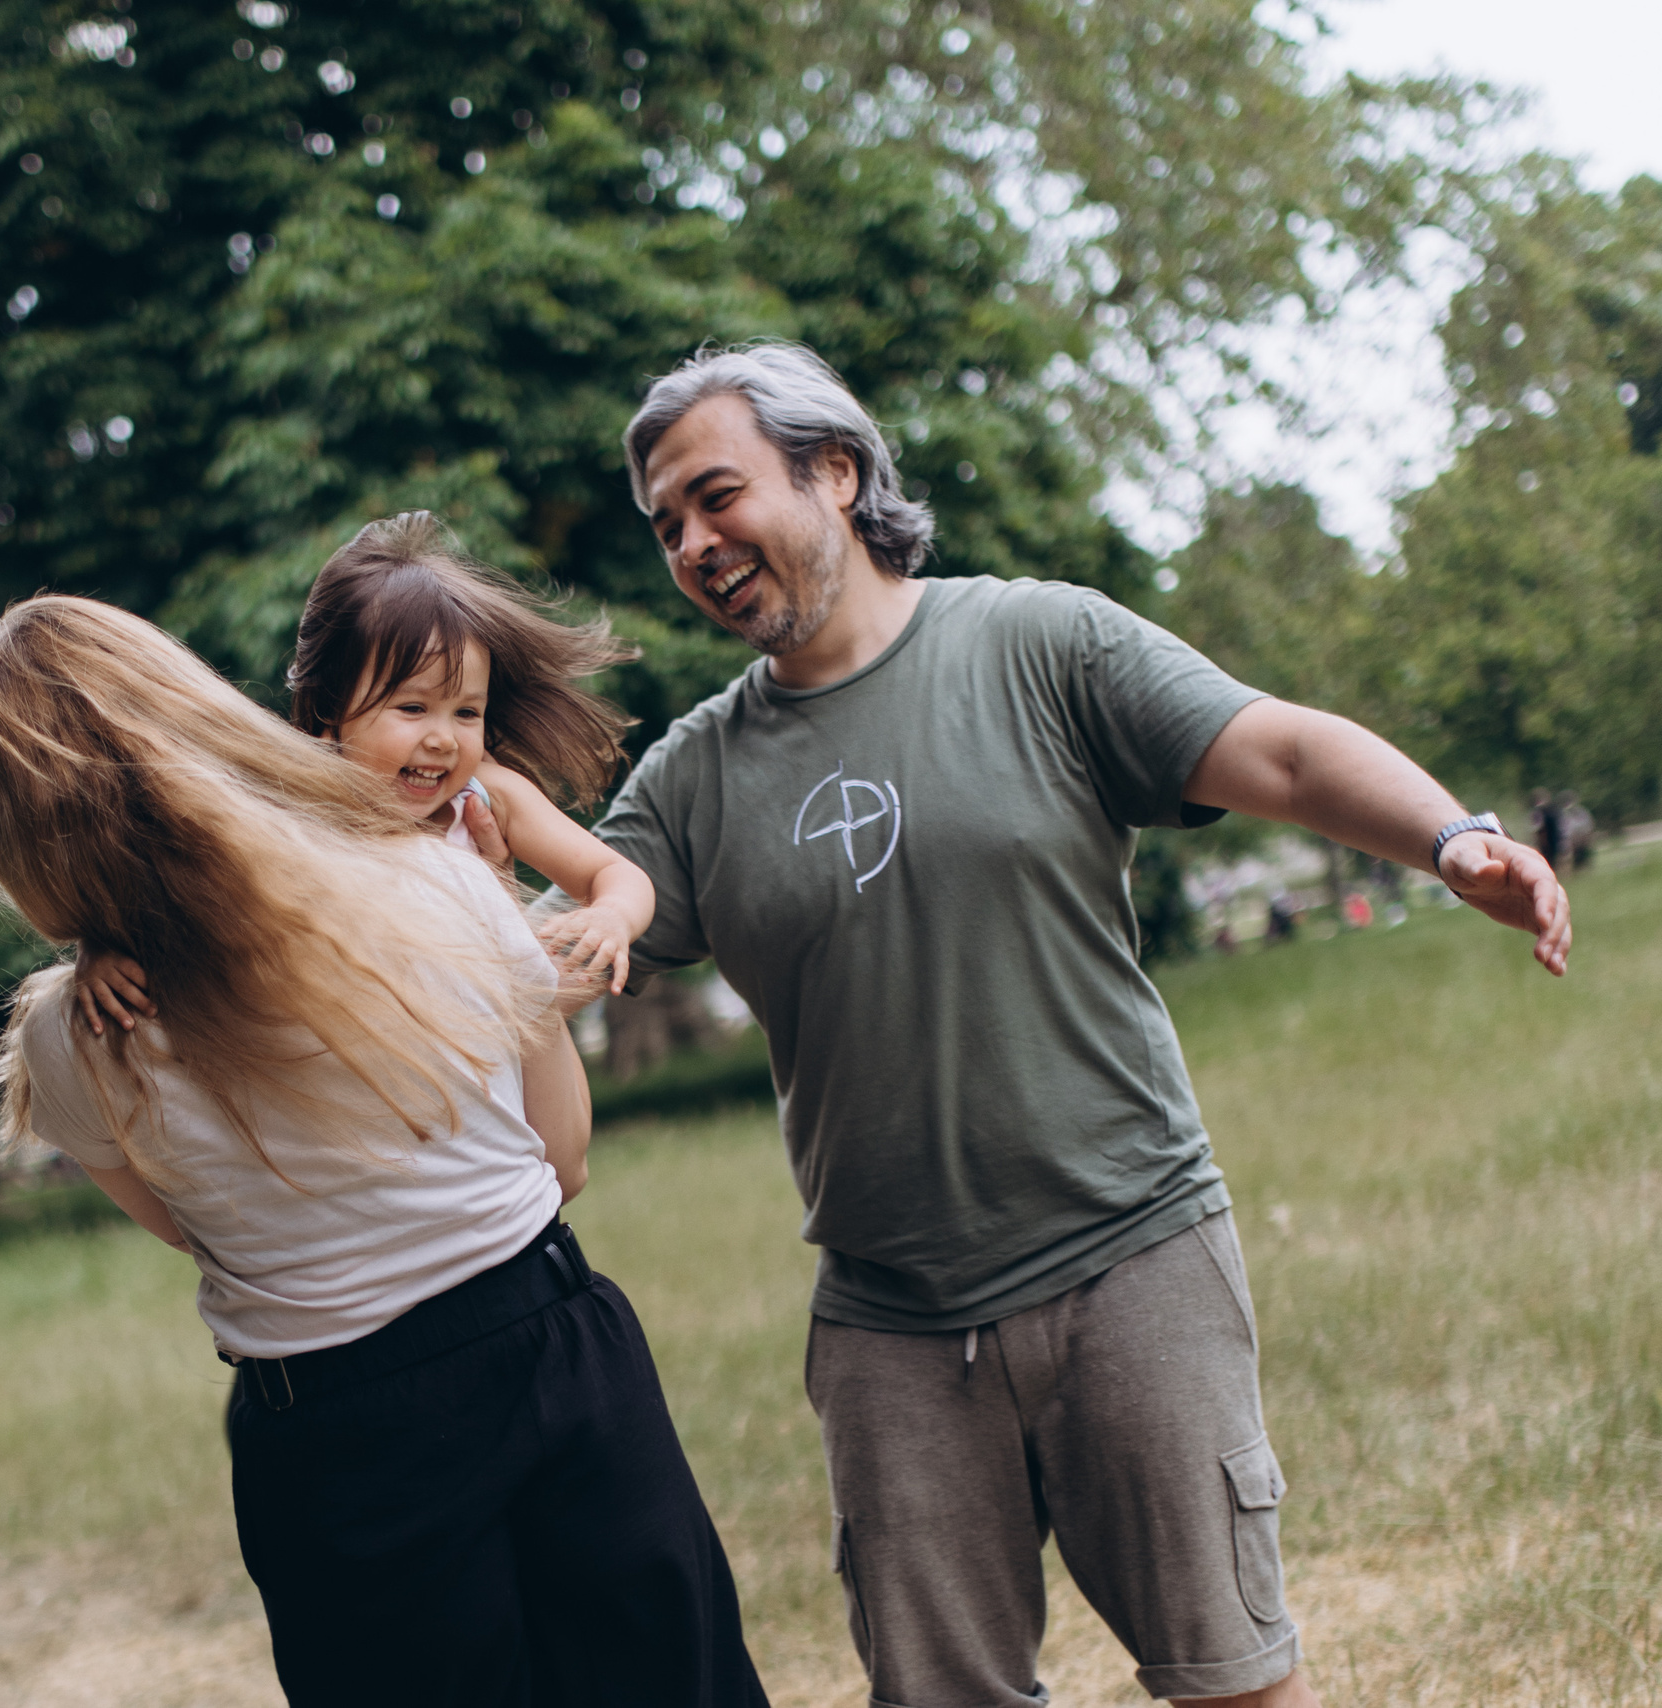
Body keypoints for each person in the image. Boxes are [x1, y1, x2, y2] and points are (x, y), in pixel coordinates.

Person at [490, 341, 1569, 1708]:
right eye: (667, 528)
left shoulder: (1039, 642)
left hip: (1131, 1260)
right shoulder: (693, 779)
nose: (694, 545)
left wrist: (1454, 837)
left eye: (716, 496)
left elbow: (1281, 748)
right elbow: (553, 946)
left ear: (833, 471)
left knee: (1233, 1678)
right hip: (890, 1323)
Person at [0, 595, 768, 1708]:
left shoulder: (66, 1038)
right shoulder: (423, 875)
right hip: (543, 1349)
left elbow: (194, 1234)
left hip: (333, 1431)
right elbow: (558, 1166)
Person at [73, 513, 656, 1034]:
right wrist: (99, 947)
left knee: (565, 1154)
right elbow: (170, 884)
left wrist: (609, 914)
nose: (443, 738)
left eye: (467, 712)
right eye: (411, 707)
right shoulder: (298, 801)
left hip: (493, 1046)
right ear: (331, 706)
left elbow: (615, 873)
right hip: (373, 1062)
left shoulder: (490, 793)